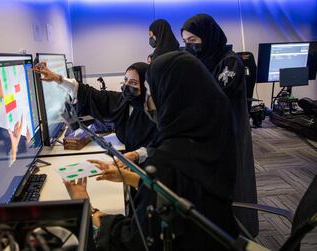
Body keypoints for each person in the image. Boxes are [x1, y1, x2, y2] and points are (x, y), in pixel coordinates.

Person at [65, 51, 239, 250]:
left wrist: (87, 207)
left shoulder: (167, 160)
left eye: (151, 92)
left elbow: (134, 240)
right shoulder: (214, 136)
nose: (147, 101)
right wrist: (128, 177)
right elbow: (182, 191)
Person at [181, 13, 259, 236]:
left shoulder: (229, 61)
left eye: (193, 41)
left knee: (233, 181)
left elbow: (215, 96)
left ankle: (240, 231)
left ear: (208, 36)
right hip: (209, 131)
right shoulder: (201, 59)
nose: (189, 46)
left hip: (228, 131)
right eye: (186, 42)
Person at [33, 62, 157, 153]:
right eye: (125, 80)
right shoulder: (123, 102)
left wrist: (136, 155)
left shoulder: (154, 114)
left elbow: (158, 149)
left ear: (146, 86)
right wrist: (57, 78)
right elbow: (88, 93)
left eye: (133, 83)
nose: (126, 85)